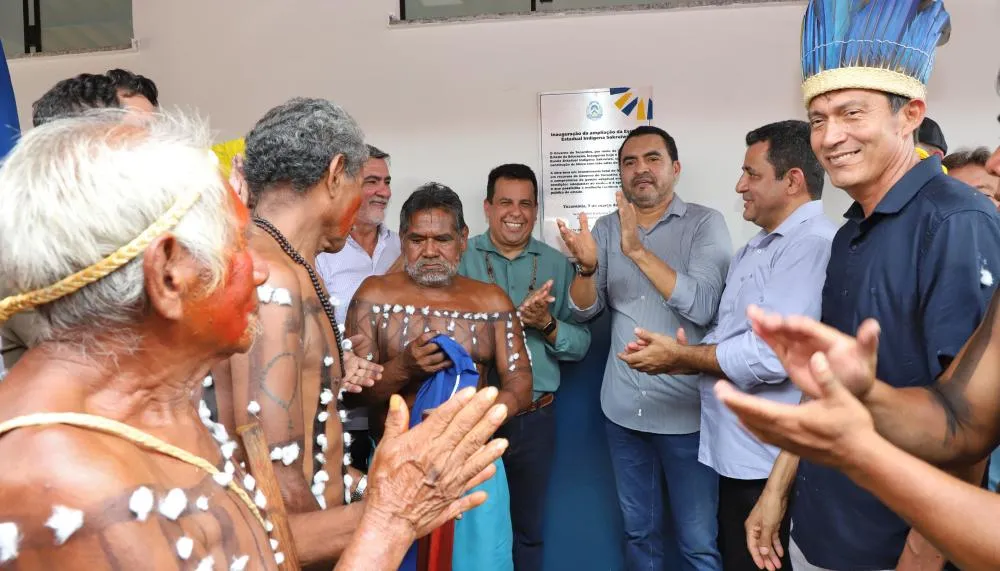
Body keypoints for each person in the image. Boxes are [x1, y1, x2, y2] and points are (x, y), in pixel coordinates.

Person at [0, 109, 511, 570]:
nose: (264, 272)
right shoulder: (65, 477)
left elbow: (253, 540)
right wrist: (388, 521)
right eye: (233, 245)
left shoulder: (147, 414)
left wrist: (384, 496)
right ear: (170, 276)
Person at [741, 2, 1000, 570]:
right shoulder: (850, 231)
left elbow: (971, 429)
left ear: (910, 115)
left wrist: (920, 557)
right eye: (817, 119)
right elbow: (824, 381)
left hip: (890, 550)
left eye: (853, 114)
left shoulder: (956, 222)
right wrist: (777, 491)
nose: (831, 137)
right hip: (822, 530)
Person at [618, 120, 835, 571]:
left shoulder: (811, 247)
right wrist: (684, 360)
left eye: (752, 174)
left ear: (792, 180)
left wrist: (685, 357)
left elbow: (771, 354)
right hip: (735, 457)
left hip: (771, 465)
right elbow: (726, 332)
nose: (740, 185)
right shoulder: (756, 248)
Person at [206, 97, 385, 568]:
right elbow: (271, 470)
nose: (359, 203)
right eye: (358, 185)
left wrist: (370, 484)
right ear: (335, 173)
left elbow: (305, 446)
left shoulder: (287, 265)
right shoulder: (270, 277)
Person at [557, 125, 731, 571]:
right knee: (640, 535)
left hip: (687, 415)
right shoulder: (605, 227)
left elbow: (703, 304)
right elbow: (585, 311)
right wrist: (585, 267)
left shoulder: (706, 224)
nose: (641, 170)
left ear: (675, 168)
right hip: (623, 411)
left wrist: (636, 251)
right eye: (629, 162)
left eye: (652, 159)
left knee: (698, 544)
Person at [346, 182, 533, 571]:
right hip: (398, 465)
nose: (429, 251)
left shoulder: (491, 301)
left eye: (442, 239)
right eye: (417, 239)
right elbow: (354, 395)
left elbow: (520, 385)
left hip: (472, 460)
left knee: (479, 562)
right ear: (402, 239)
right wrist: (403, 369)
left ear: (463, 239)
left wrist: (468, 424)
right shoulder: (375, 295)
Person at [457, 163, 591, 571]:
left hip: (535, 418)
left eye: (525, 204)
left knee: (528, 530)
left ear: (536, 210)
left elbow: (581, 343)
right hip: (474, 417)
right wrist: (512, 319)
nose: (515, 213)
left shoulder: (556, 262)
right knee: (474, 528)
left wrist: (545, 324)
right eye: (504, 203)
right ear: (487, 207)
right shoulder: (461, 256)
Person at [2, 68, 161, 374]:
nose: (166, 153)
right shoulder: (25, 245)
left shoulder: (144, 225)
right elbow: (111, 358)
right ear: (75, 149)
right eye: (144, 141)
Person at [317, 144, 401, 472]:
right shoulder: (323, 249)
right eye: (372, 182)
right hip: (344, 398)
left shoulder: (402, 244)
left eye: (387, 182)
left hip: (394, 397)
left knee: (392, 485)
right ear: (348, 184)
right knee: (352, 484)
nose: (384, 191)